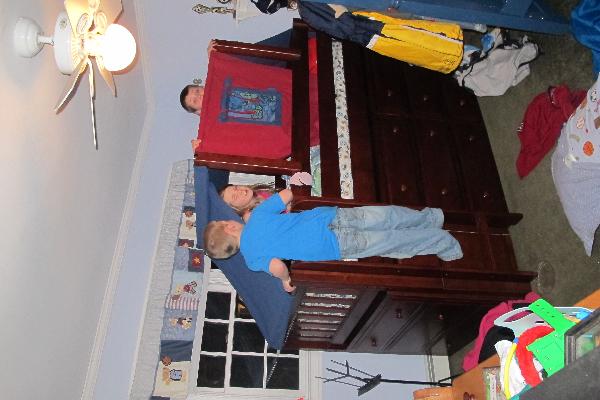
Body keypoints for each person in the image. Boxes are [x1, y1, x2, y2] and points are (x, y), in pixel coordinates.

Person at [203, 189, 463, 292]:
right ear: (229, 226)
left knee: (389, 241)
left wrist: (285, 280)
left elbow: (278, 267)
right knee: (385, 216)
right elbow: (287, 194)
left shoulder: (251, 259)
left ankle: (443, 242)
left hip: (334, 244)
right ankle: (431, 217)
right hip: (329, 217)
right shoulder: (257, 216)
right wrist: (286, 212)